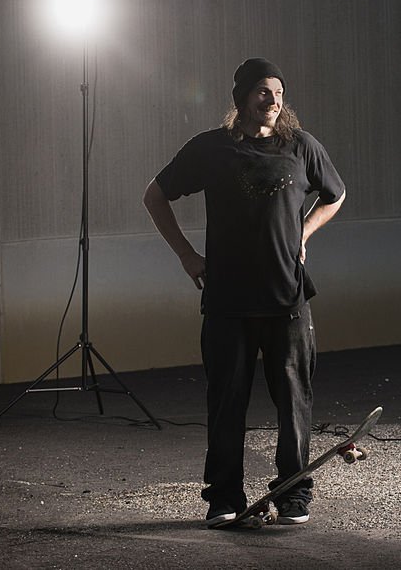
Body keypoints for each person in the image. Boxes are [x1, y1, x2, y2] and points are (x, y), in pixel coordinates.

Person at [143, 58, 346, 527]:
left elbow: (335, 194)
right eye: (262, 91)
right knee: (226, 402)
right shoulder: (211, 149)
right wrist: (186, 256)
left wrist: (304, 234)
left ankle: (292, 494)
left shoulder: (302, 147)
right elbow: (154, 194)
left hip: (287, 300)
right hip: (228, 301)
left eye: (278, 92)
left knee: (294, 401)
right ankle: (224, 498)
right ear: (241, 99)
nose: (272, 100)